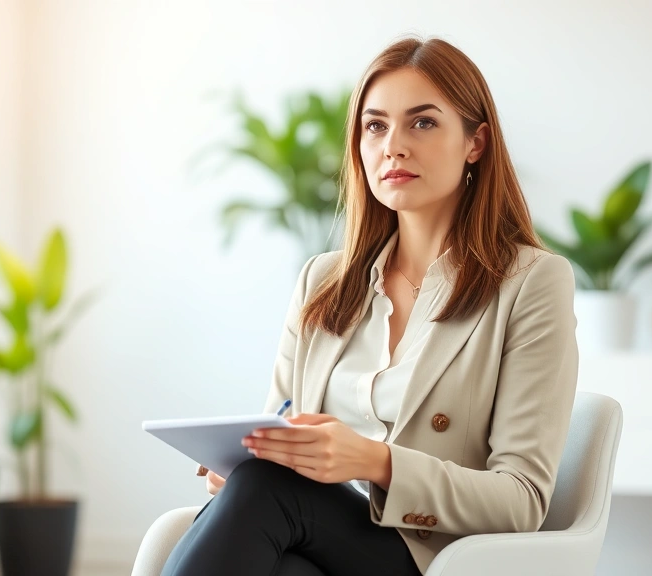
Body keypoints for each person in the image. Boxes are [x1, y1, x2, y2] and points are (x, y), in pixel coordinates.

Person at [161, 34, 578, 576]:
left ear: (475, 142)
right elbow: (279, 426)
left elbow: (521, 501)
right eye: (375, 126)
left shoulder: (531, 282)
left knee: (268, 489)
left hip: (435, 559)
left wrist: (376, 463)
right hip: (310, 543)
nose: (393, 146)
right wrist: (240, 464)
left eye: (422, 122)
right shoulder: (323, 280)